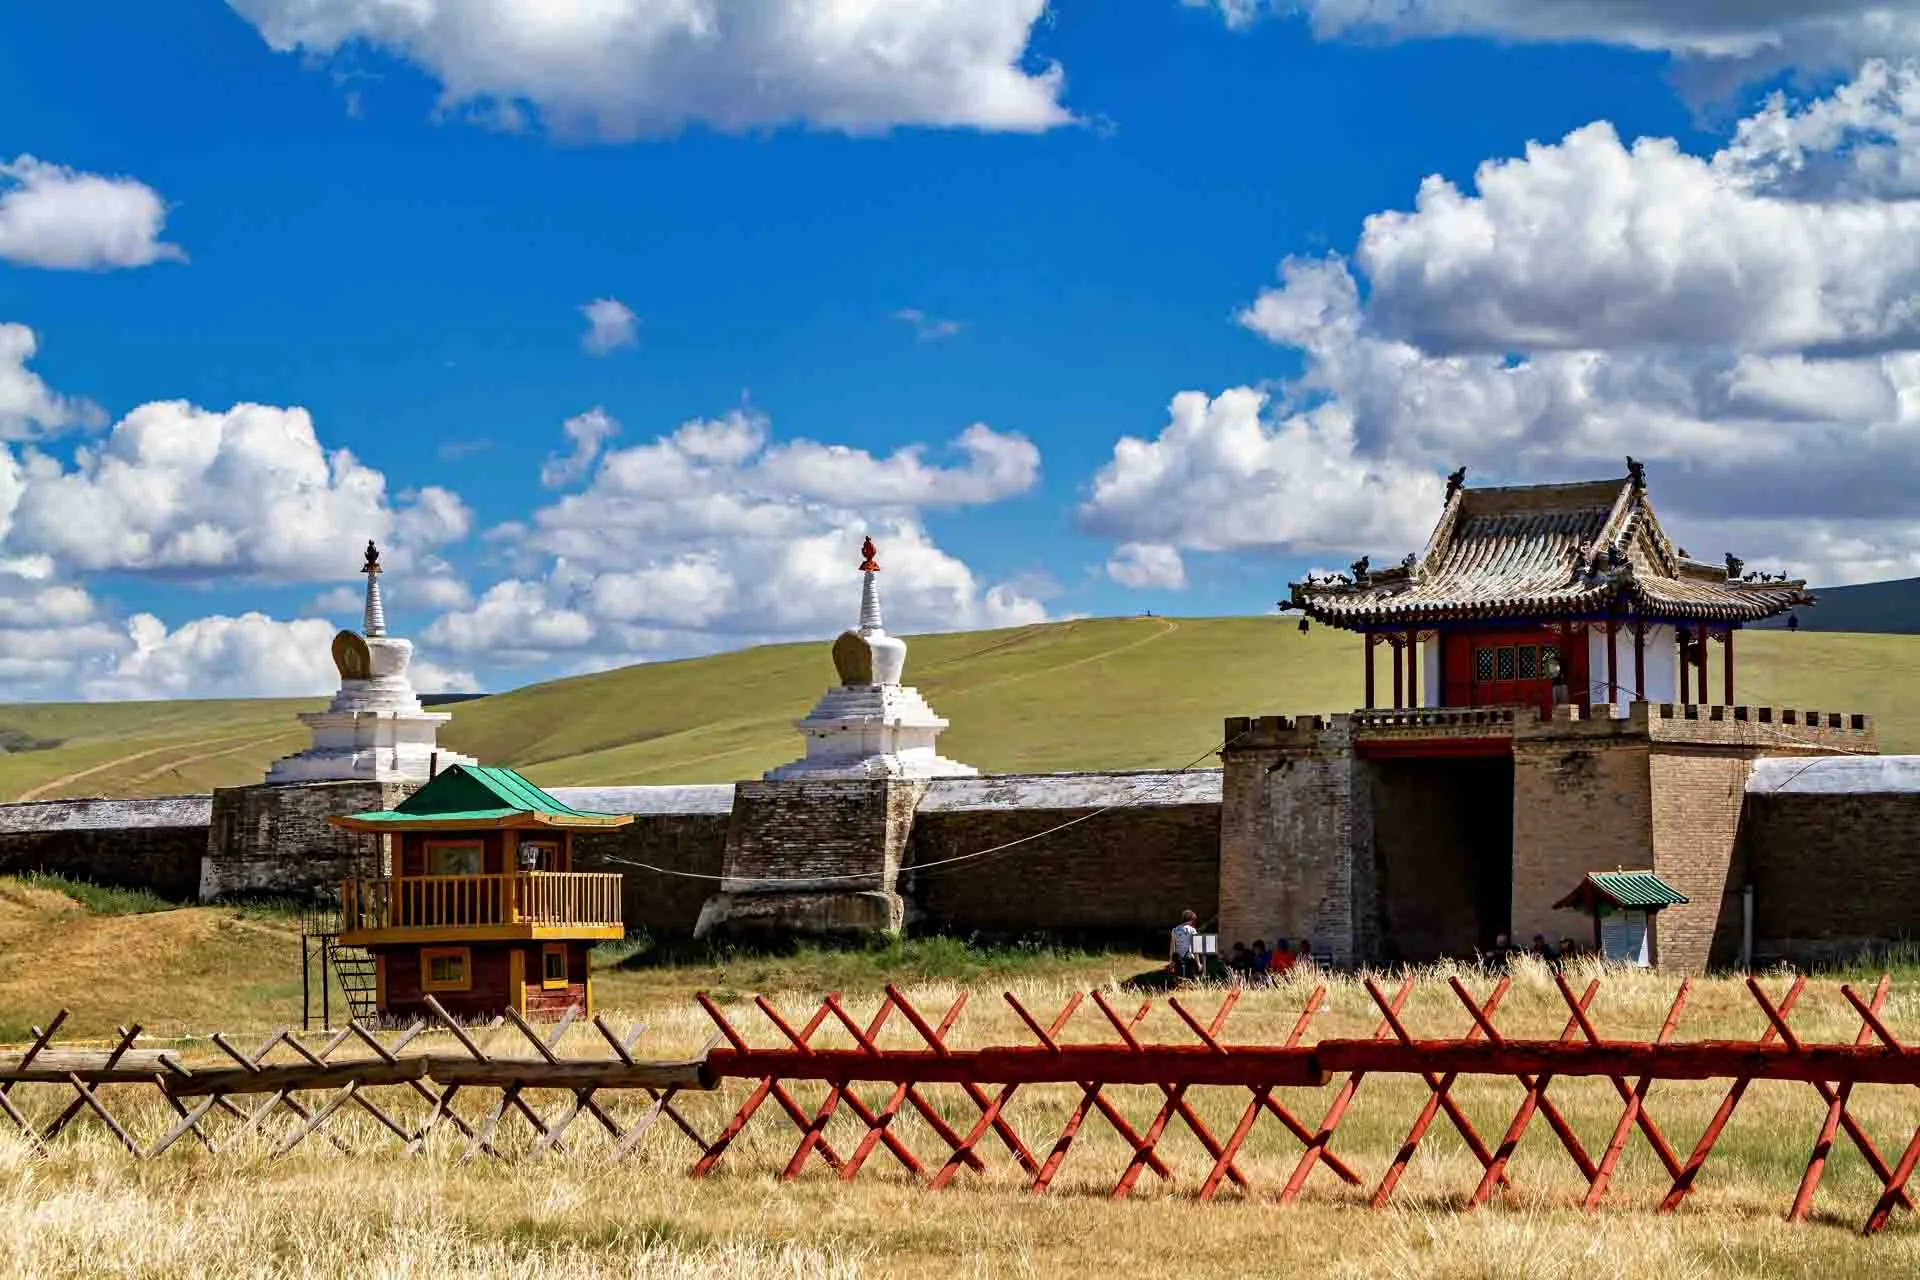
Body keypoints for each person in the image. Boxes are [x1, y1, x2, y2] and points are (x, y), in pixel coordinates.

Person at [1169, 909, 1200, 983]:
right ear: (1191, 920)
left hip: (1178, 958)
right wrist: (1198, 963)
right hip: (1189, 958)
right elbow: (1195, 948)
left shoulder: (1175, 930)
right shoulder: (1192, 930)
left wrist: (1171, 960)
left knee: (1179, 980)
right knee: (1192, 980)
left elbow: (1172, 947)